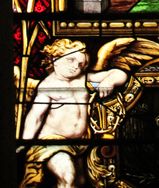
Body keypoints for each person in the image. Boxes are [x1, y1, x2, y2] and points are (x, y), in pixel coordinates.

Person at [20, 38, 128, 188]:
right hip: (53, 142)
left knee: (79, 182)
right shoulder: (48, 86)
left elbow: (119, 74)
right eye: (70, 60)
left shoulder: (83, 80)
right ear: (55, 58)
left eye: (81, 64)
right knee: (67, 177)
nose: (75, 67)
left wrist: (109, 81)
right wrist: (25, 142)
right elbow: (36, 116)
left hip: (80, 144)